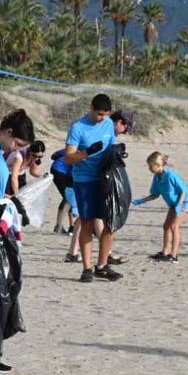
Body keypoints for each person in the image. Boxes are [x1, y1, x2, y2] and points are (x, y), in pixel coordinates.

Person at [65, 94, 122, 283]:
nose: (102, 118)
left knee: (110, 222)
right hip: (84, 180)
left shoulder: (107, 124)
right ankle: (87, 268)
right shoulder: (78, 128)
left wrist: (118, 152)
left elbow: (112, 145)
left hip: (105, 178)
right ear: (91, 108)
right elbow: (68, 158)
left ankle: (102, 266)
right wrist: (87, 152)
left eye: (106, 115)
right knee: (87, 223)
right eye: (99, 114)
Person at [133, 152, 188, 263]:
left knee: (174, 227)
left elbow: (183, 192)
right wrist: (141, 201)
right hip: (173, 203)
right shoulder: (157, 177)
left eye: (150, 166)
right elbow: (155, 194)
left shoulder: (171, 176)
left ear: (157, 165)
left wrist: (179, 206)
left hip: (184, 202)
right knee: (166, 226)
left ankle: (174, 256)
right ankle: (165, 252)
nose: (149, 169)